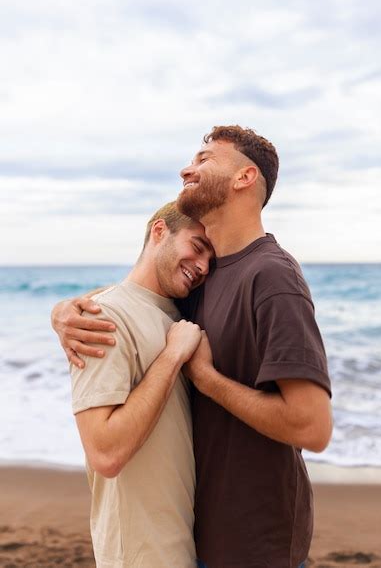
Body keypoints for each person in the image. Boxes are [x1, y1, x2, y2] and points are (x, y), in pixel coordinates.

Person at [53, 125, 332, 568]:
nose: (188, 168)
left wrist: (205, 377)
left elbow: (313, 428)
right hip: (197, 536)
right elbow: (139, 298)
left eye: (204, 159)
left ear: (244, 178)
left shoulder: (274, 277)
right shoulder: (207, 278)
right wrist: (67, 310)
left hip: (255, 544)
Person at [62, 202, 213, 568]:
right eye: (197, 246)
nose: (204, 266)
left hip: (183, 543)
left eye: (212, 259)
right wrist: (172, 357)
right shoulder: (103, 316)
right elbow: (105, 453)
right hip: (139, 553)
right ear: (159, 232)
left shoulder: (178, 313)